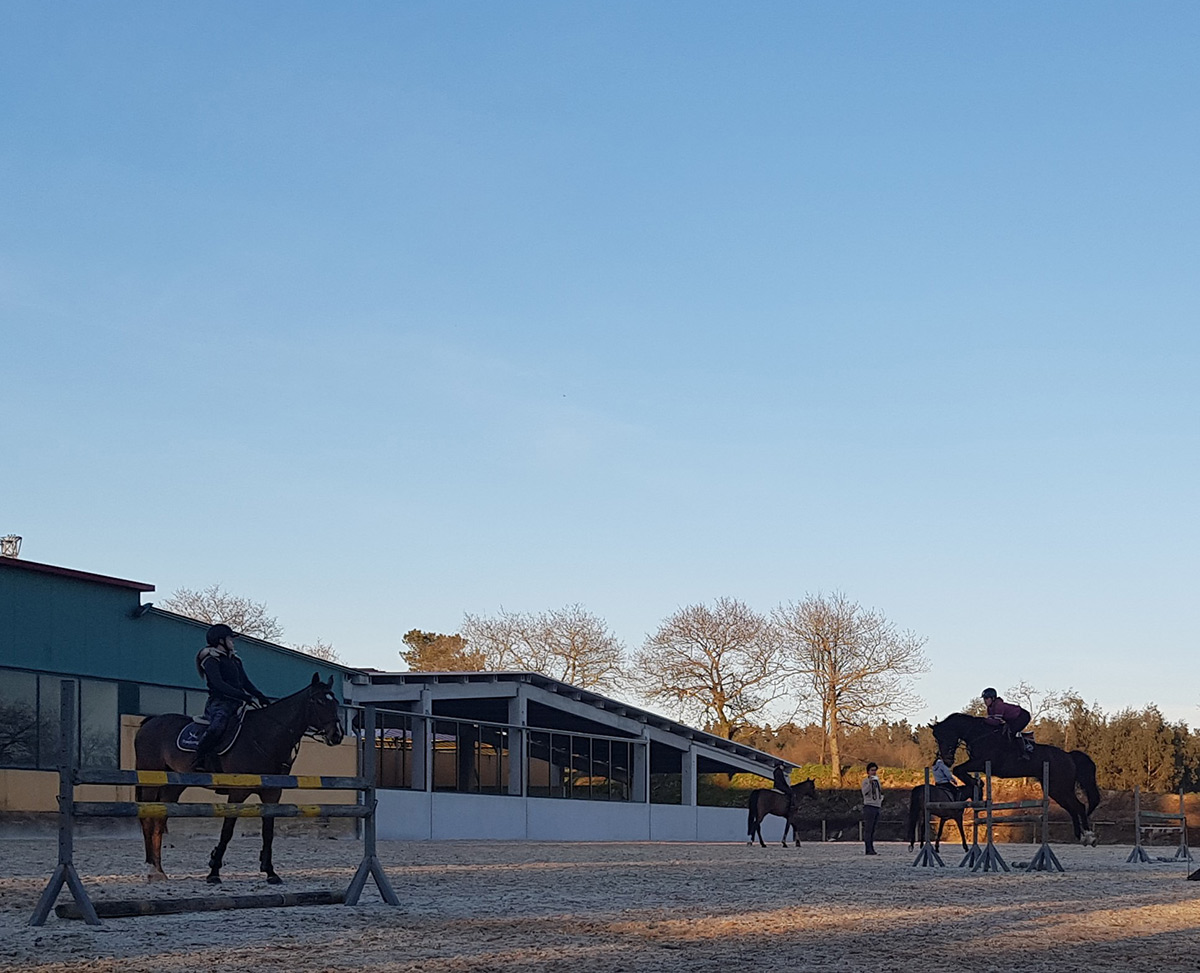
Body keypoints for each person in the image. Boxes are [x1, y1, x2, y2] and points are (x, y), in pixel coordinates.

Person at [192, 624, 271, 770]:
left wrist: (260, 696)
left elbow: (245, 682)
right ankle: (200, 759)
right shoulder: (211, 659)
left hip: (238, 703)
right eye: (230, 638)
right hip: (219, 703)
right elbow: (218, 684)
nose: (232, 642)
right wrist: (242, 696)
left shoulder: (235, 660)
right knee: (217, 727)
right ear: (221, 640)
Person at [981, 688, 1032, 760]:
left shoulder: (998, 705)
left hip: (1022, 716)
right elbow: (991, 721)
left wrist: (982, 720)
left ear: (992, 698)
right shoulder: (989, 708)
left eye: (986, 698)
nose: (985, 701)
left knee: (1012, 732)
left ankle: (1023, 753)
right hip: (1012, 719)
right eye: (984, 699)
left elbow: (996, 722)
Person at [861, 762, 883, 855]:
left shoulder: (877, 781)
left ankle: (871, 848)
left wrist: (881, 800)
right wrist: (869, 784)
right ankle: (868, 849)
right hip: (869, 806)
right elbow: (864, 792)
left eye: (875, 770)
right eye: (872, 770)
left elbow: (879, 792)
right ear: (868, 772)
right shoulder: (865, 781)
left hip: (876, 806)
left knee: (873, 829)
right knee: (868, 829)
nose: (874, 772)